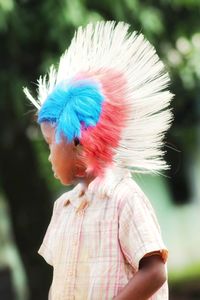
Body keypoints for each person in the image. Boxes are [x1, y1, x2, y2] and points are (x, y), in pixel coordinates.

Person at [24, 21, 173, 300]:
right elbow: (65, 281)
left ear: (78, 140)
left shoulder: (124, 199)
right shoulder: (65, 208)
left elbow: (154, 272)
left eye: (50, 144)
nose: (48, 157)